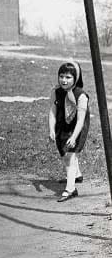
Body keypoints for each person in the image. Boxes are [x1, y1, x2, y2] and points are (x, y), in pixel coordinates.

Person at [48, 60, 89, 202]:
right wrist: (51, 128)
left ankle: (70, 189)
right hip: (62, 126)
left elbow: (80, 121)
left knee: (69, 157)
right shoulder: (56, 92)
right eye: (61, 76)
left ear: (76, 78)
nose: (64, 80)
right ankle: (76, 175)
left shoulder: (81, 96)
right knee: (64, 153)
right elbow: (53, 111)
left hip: (77, 128)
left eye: (68, 77)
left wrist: (74, 137)